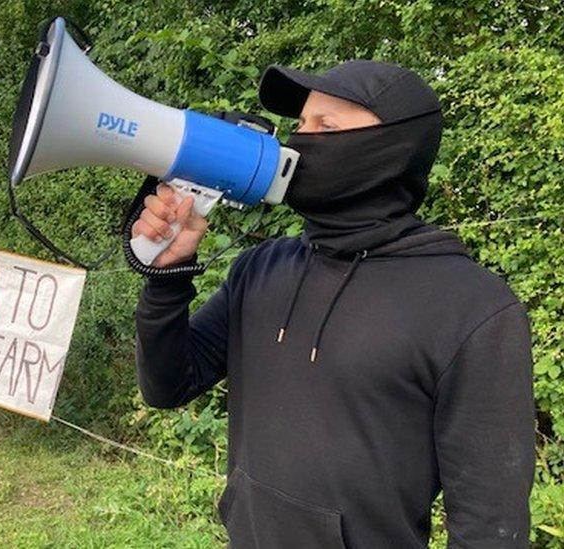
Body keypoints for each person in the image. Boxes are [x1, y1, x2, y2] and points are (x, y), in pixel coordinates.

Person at [132, 60, 535, 548]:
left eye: (327, 126)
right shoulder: (262, 268)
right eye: (301, 125)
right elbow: (167, 385)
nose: (300, 143)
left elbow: (490, 527)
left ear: (394, 147)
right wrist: (167, 276)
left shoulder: (473, 309)